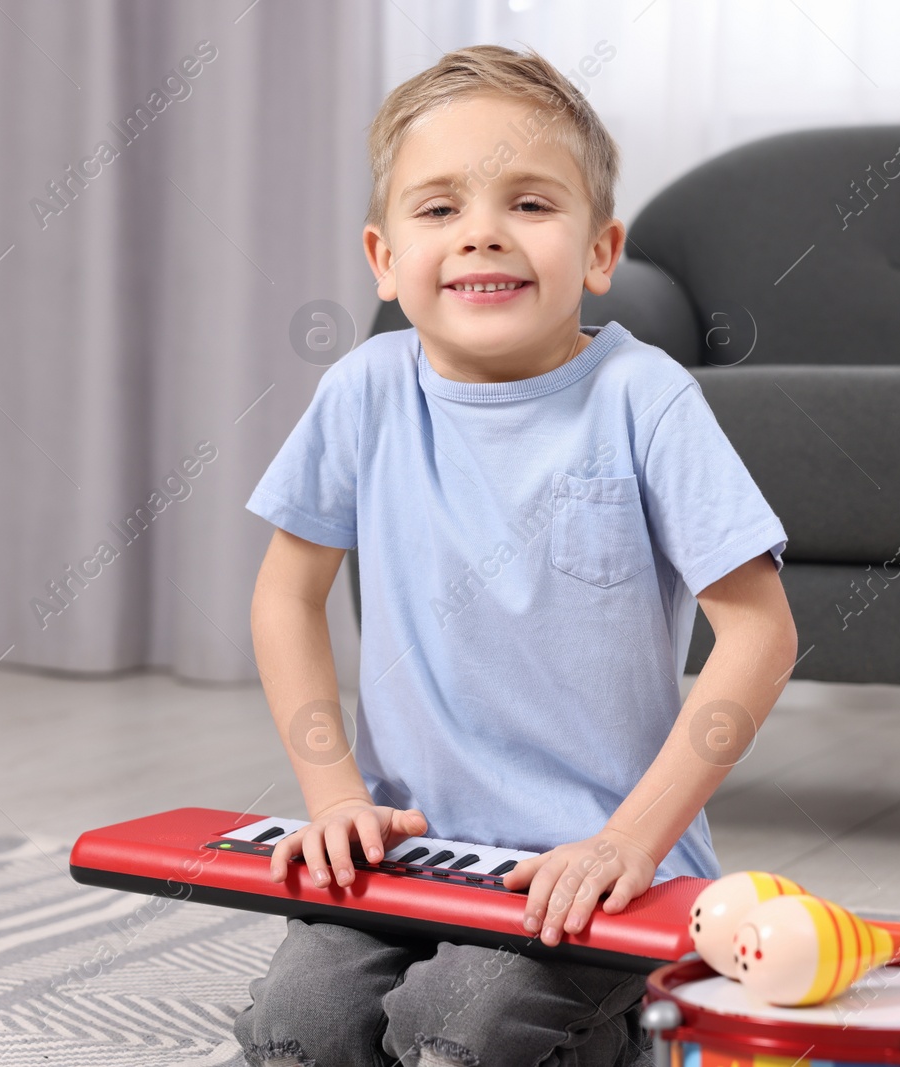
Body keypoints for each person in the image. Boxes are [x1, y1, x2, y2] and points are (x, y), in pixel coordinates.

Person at [234, 43, 797, 1067]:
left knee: (455, 1027)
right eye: (438, 207)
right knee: (293, 1031)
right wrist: (334, 799)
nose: (482, 231)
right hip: (409, 856)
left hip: (601, 868)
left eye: (529, 204)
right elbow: (285, 594)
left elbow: (760, 632)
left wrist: (633, 839)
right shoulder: (362, 391)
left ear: (598, 249)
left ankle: (645, 1021)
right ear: (383, 258)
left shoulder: (646, 397)